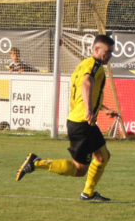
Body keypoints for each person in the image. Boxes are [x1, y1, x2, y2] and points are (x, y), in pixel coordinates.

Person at [16, 34, 118, 201]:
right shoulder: (94, 65)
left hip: (82, 121)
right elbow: (86, 83)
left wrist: (103, 109)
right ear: (96, 49)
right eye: (107, 52)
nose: (110, 56)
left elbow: (84, 93)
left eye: (111, 52)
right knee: (80, 169)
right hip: (82, 123)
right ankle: (36, 163)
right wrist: (89, 110)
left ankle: (88, 193)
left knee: (102, 156)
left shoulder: (82, 65)